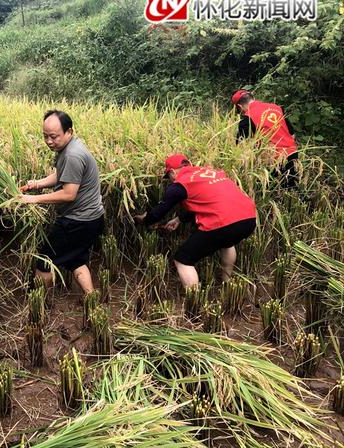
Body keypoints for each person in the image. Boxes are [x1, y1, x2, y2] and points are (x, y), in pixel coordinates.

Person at [135, 154, 256, 288]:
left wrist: (144, 220)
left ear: (172, 172)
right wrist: (179, 219)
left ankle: (195, 300)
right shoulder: (210, 172)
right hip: (249, 218)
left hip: (223, 222)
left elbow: (158, 213)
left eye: (168, 177)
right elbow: (209, 200)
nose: (170, 181)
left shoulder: (179, 185)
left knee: (183, 259)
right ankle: (226, 282)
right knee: (227, 242)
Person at [19, 110, 105, 295]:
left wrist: (33, 199)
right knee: (76, 260)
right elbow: (64, 175)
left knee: (45, 260)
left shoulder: (72, 155)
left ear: (69, 132)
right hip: (91, 220)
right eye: (45, 136)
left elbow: (68, 194)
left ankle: (38, 303)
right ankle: (91, 299)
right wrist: (37, 184)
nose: (49, 141)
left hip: (78, 221)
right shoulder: (69, 148)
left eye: (54, 137)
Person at [232, 89, 299, 187]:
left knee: (274, 192)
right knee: (292, 188)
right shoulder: (277, 108)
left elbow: (240, 147)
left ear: (239, 107)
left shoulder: (247, 119)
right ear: (253, 98)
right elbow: (292, 134)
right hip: (292, 154)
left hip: (274, 160)